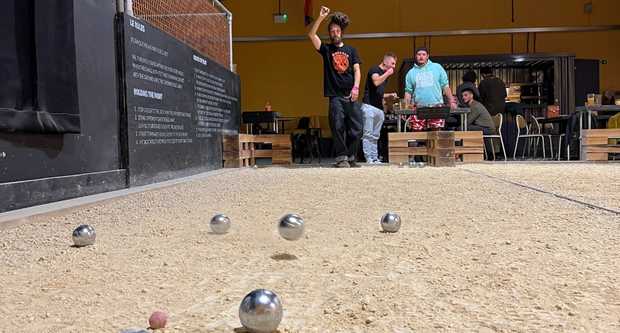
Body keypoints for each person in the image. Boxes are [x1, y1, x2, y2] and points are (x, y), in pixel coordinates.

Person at [308, 6, 362, 168]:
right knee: (337, 126)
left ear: (341, 32)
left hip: (351, 95)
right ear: (330, 33)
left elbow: (357, 70)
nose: (335, 33)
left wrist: (356, 88)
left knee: (357, 127)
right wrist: (320, 18)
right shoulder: (326, 50)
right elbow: (311, 35)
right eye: (332, 31)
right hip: (335, 96)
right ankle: (341, 157)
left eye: (337, 30)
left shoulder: (351, 50)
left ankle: (351, 156)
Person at [404, 47, 456, 131]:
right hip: (419, 108)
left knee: (435, 134)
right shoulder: (411, 73)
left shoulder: (437, 67)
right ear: (415, 56)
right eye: (419, 54)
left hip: (436, 106)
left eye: (423, 54)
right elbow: (408, 91)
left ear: (427, 56)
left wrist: (452, 101)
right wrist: (405, 107)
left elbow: (445, 86)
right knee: (416, 133)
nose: (421, 57)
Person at [361, 52, 397, 163]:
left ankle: (375, 157)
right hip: (369, 107)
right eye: (392, 63)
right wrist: (387, 74)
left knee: (376, 135)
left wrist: (389, 95)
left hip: (379, 109)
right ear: (386, 61)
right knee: (368, 134)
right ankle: (368, 158)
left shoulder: (384, 76)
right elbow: (376, 82)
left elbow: (378, 92)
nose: (394, 66)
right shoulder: (374, 69)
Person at [462, 88, 497, 158]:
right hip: (483, 127)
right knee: (464, 127)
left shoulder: (475, 106)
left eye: (465, 95)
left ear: (471, 96)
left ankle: (467, 153)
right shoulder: (472, 105)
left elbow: (468, 121)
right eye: (462, 96)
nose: (463, 97)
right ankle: (469, 152)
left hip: (488, 129)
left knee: (464, 128)